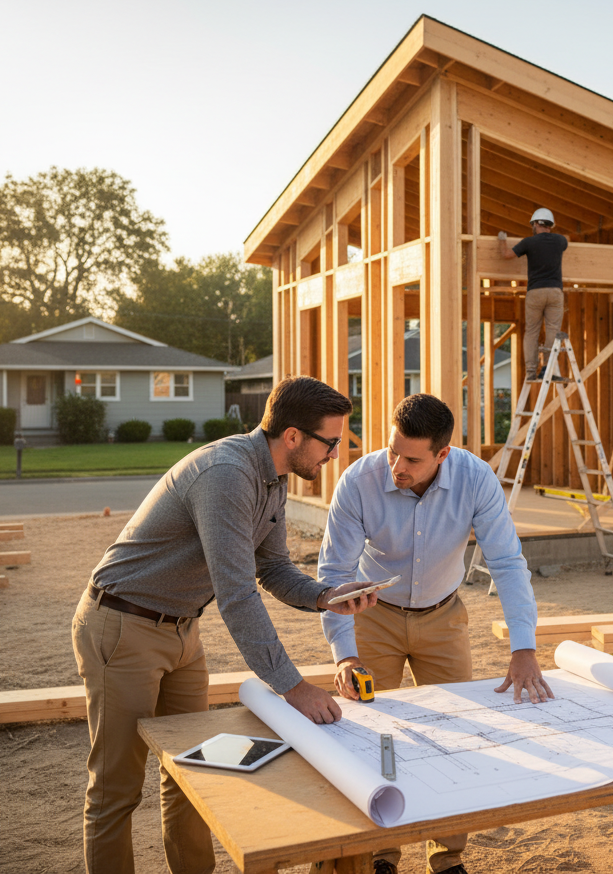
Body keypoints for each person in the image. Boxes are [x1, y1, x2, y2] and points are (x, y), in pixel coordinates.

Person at [72, 376, 384, 874]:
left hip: (181, 631)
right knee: (117, 787)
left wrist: (327, 597)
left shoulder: (273, 479)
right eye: (331, 442)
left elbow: (273, 569)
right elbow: (238, 595)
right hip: (123, 624)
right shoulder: (227, 474)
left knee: (192, 771)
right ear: (293, 437)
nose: (334, 455)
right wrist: (293, 687)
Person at [317, 393, 552, 874]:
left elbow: (507, 562)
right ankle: (381, 854)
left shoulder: (476, 479)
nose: (396, 465)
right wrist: (344, 654)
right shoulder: (358, 482)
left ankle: (447, 857)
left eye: (412, 458)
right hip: (373, 615)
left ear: (443, 454)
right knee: (370, 734)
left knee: (454, 735)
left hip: (444, 617)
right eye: (392, 450)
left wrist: (524, 647)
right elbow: (333, 573)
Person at [499, 207, 568, 381]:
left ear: (535, 224)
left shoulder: (528, 242)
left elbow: (506, 255)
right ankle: (547, 368)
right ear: (550, 225)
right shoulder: (560, 241)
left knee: (532, 331)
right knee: (552, 330)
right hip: (554, 292)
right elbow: (566, 241)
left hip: (535, 292)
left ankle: (531, 371)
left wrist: (502, 240)